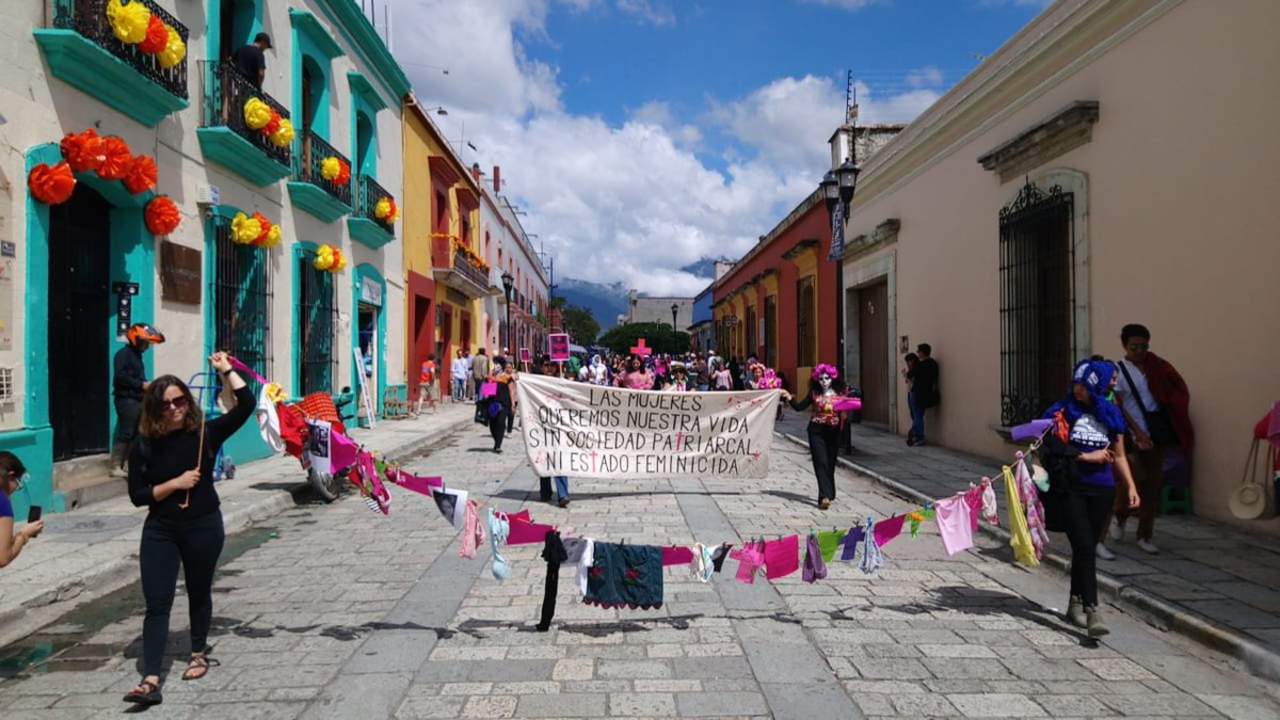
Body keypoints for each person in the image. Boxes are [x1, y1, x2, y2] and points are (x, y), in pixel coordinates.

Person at [122, 352, 254, 706]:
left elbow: (246, 404)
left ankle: (197, 652)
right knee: (157, 602)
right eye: (165, 404)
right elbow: (137, 496)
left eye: (180, 400)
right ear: (154, 409)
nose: (174, 408)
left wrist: (227, 370)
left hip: (203, 525)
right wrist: (175, 484)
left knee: (198, 590)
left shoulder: (205, 434)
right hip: (161, 529)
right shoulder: (144, 445)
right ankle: (150, 679)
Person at [1039, 358, 1140, 638]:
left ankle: (1074, 604)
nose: (1078, 390)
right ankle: (1093, 609)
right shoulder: (1061, 411)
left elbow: (1119, 455)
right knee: (1084, 546)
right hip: (1071, 487)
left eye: (1084, 386)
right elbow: (1048, 445)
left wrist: (1130, 486)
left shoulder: (1111, 414)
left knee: (1085, 549)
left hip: (1103, 490)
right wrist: (1083, 456)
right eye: (1076, 384)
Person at [1110, 324, 1192, 555]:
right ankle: (1120, 515)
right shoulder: (1119, 371)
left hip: (1155, 435)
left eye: (1144, 346)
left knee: (1153, 485)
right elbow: (1117, 405)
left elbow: (1172, 392)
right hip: (1129, 435)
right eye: (1134, 346)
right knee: (1131, 481)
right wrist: (1136, 431)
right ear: (1125, 346)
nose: (1139, 351)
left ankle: (1145, 534)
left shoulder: (1157, 367)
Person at [781, 364, 847, 510]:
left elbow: (847, 412)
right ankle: (823, 496)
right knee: (820, 461)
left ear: (833, 378)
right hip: (816, 432)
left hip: (834, 432)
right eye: (821, 378)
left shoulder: (840, 393)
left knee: (830, 463)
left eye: (827, 378)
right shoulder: (814, 393)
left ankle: (829, 491)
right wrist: (788, 397)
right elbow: (799, 407)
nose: (824, 381)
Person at [111, 323, 165, 478]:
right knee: (127, 432)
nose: (147, 346)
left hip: (137, 398)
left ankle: (129, 463)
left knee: (137, 432)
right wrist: (141, 384)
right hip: (126, 399)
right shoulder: (123, 355)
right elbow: (120, 377)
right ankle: (115, 466)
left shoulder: (137, 357)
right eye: (145, 342)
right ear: (136, 340)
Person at [535, 358, 571, 507]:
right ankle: (545, 491)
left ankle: (563, 494)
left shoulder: (562, 382)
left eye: (552, 366)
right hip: (541, 426)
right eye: (546, 365)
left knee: (559, 459)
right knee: (544, 458)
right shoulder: (535, 383)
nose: (549, 368)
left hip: (558, 427)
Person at [0, 452, 44, 569]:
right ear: (10, 476)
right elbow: (2, 558)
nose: (15, 490)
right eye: (18, 484)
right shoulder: (2, 502)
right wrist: (24, 535)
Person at [907, 343, 939, 446]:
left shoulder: (920, 365)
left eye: (918, 351)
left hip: (917, 392)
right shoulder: (934, 363)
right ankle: (916, 434)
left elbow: (910, 375)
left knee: (917, 415)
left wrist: (910, 368)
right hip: (928, 392)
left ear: (922, 352)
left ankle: (918, 436)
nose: (917, 353)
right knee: (919, 415)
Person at [485, 357, 514, 453]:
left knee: (501, 423)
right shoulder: (490, 377)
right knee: (492, 425)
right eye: (494, 364)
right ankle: (496, 440)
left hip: (504, 404)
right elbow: (487, 393)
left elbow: (511, 391)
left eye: (497, 364)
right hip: (492, 403)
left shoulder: (507, 377)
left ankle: (498, 445)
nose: (495, 366)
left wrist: (513, 404)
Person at [471, 348, 490, 421]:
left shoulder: (474, 358)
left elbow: (472, 366)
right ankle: (480, 404)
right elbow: (484, 368)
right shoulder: (485, 358)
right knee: (482, 392)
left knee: (477, 389)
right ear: (484, 352)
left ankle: (477, 401)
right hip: (482, 377)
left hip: (476, 376)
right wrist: (485, 376)